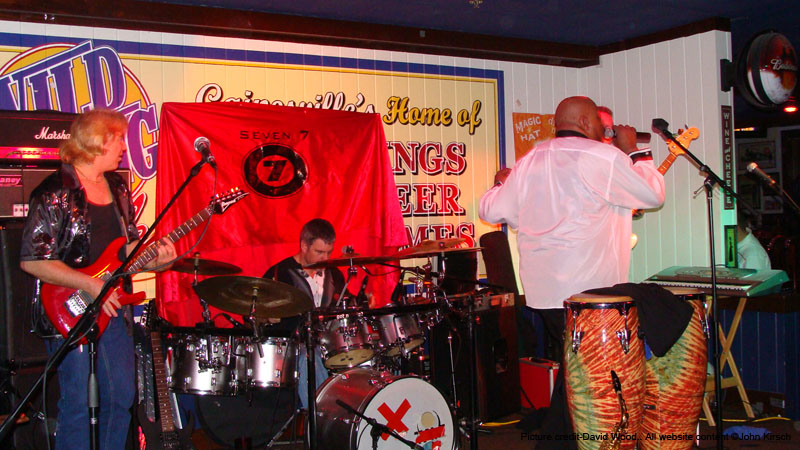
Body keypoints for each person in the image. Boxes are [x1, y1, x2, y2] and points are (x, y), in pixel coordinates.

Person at [479, 96, 665, 444]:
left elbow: (492, 211)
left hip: (545, 295)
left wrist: (501, 184)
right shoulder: (604, 157)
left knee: (576, 375)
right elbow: (653, 194)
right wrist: (635, 151)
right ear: (584, 122)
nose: (604, 131)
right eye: (600, 123)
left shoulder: (530, 160)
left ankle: (560, 440)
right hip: (591, 293)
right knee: (586, 379)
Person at [19, 108, 176, 449]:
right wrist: (89, 284)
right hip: (70, 309)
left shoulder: (117, 186)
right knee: (78, 402)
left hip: (113, 309)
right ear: (96, 142)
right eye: (118, 138)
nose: (124, 146)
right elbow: (33, 261)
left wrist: (158, 259)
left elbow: (126, 252)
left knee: (121, 397)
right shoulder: (54, 192)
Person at [263, 218, 346, 408]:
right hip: (294, 347)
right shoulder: (279, 274)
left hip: (329, 344)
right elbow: (254, 312)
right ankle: (321, 414)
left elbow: (345, 305)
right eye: (319, 252)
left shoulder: (334, 274)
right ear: (303, 246)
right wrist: (266, 316)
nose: (325, 258)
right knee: (308, 356)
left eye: (329, 252)